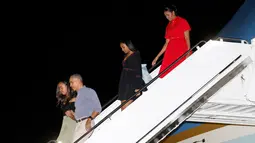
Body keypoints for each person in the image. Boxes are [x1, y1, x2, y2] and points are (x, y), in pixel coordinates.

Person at [152, 4, 191, 78]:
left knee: (179, 70)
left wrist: (188, 51)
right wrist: (157, 57)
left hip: (181, 49)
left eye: (168, 15)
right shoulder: (168, 26)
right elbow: (166, 43)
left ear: (173, 12)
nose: (167, 17)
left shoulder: (183, 21)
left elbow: (187, 38)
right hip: (170, 51)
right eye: (165, 16)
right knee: (164, 72)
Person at [69, 74, 102, 143]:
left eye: (72, 82)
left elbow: (98, 108)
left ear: (78, 81)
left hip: (85, 122)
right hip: (79, 124)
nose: (70, 85)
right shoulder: (78, 95)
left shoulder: (88, 91)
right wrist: (74, 114)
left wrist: (89, 120)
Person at [118, 40, 147, 111]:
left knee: (125, 107)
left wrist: (138, 87)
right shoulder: (127, 55)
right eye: (121, 48)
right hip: (124, 83)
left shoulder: (135, 55)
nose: (122, 49)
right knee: (123, 107)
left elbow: (137, 71)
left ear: (129, 45)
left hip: (132, 83)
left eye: (123, 47)